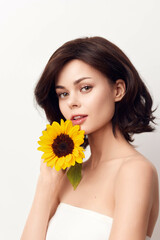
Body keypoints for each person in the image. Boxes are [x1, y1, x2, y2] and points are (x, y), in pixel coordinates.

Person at [21, 36, 159, 240]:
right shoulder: (65, 174)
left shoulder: (135, 171)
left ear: (118, 90)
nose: (72, 103)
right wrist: (46, 184)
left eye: (85, 88)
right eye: (63, 94)